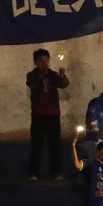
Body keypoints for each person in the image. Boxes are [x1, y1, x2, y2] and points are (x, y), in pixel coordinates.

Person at [26, 48, 69, 180]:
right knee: (37, 144)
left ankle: (56, 172)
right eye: (41, 61)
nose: (44, 63)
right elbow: (31, 85)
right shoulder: (31, 75)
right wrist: (41, 76)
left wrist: (62, 75)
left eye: (46, 60)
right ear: (35, 62)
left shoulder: (53, 75)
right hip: (38, 114)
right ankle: (33, 173)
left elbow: (63, 84)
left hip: (53, 114)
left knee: (55, 144)